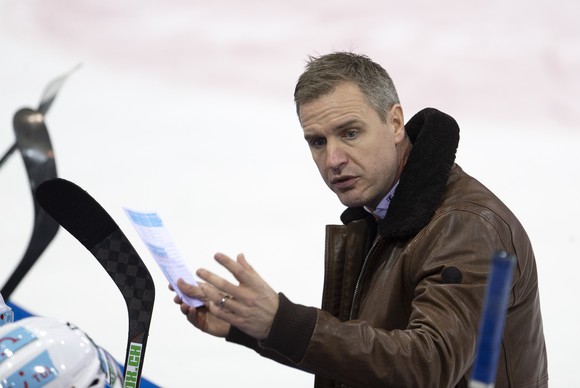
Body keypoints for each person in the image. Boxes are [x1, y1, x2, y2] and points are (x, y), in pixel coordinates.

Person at [173, 52, 548, 387]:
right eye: (317, 142)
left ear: (396, 123)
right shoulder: (381, 212)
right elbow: (363, 356)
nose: (333, 159)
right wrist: (249, 328)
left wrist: (280, 322)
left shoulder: (466, 227)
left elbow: (428, 366)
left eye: (350, 133)